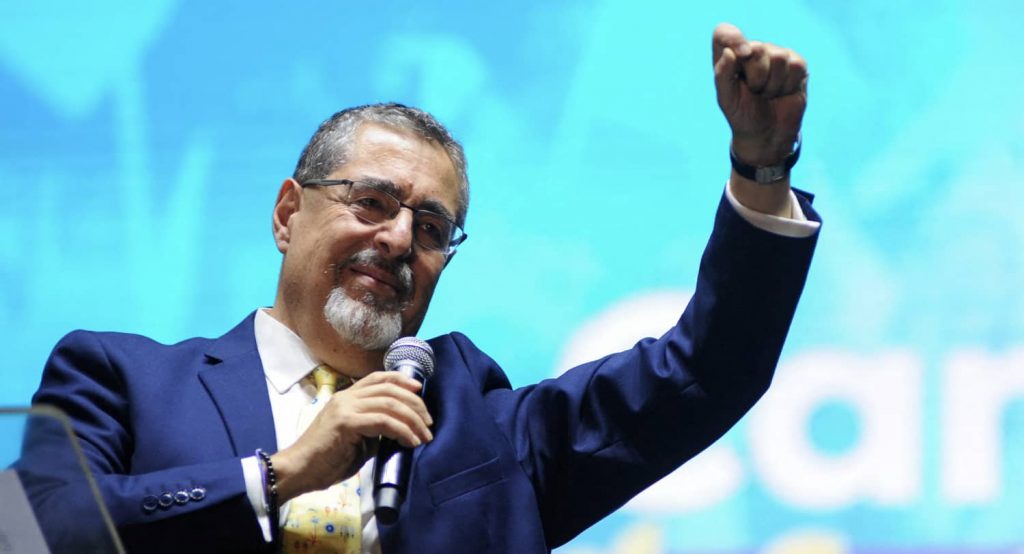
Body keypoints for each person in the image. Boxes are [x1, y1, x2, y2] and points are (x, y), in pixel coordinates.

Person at [17, 23, 821, 553]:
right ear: (288, 213)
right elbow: (44, 529)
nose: (400, 239)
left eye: (432, 228)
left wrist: (761, 170)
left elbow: (704, 373)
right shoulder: (122, 380)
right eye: (371, 202)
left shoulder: (475, 422)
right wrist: (284, 472)